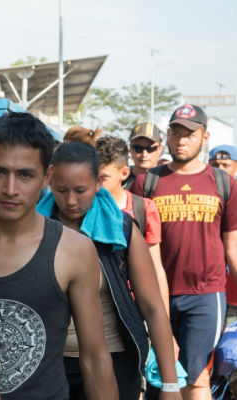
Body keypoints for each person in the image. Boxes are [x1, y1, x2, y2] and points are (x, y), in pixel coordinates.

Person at [0, 112, 118, 399]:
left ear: (46, 176)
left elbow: (95, 357)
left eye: (25, 175)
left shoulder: (74, 250)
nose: (10, 189)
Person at [40, 132, 181, 400]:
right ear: (49, 179)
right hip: (50, 365)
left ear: (97, 184)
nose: (71, 201)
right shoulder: (33, 230)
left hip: (115, 361)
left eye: (80, 191)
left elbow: (152, 308)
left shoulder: (121, 230)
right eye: (61, 190)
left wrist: (170, 385)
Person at [130, 105, 237, 400]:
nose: (182, 140)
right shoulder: (146, 182)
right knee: (157, 376)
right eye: (176, 132)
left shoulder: (223, 182)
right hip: (154, 296)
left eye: (189, 134)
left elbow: (232, 245)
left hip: (206, 295)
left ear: (205, 137)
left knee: (196, 377)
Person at [95, 135, 170, 314]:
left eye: (103, 178)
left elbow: (156, 268)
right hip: (97, 306)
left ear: (124, 173)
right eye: (92, 177)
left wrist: (164, 318)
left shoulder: (144, 208)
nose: (96, 186)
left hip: (135, 306)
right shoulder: (83, 208)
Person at [208, 144, 237, 326]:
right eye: (215, 165)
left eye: (226, 165)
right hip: (210, 289)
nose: (221, 170)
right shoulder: (201, 197)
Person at [123, 122, 163, 189]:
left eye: (150, 148)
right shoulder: (119, 180)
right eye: (138, 148)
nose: (144, 154)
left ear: (160, 149)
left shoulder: (168, 180)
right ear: (130, 149)